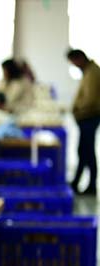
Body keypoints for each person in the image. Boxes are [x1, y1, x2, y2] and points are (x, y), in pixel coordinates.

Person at [66, 49, 100, 195]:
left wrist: (76, 109)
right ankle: (76, 181)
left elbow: (90, 99)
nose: (74, 65)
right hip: (85, 117)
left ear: (79, 58)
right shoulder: (87, 71)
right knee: (83, 150)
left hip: (89, 117)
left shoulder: (93, 73)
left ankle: (91, 185)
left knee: (88, 151)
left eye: (73, 62)